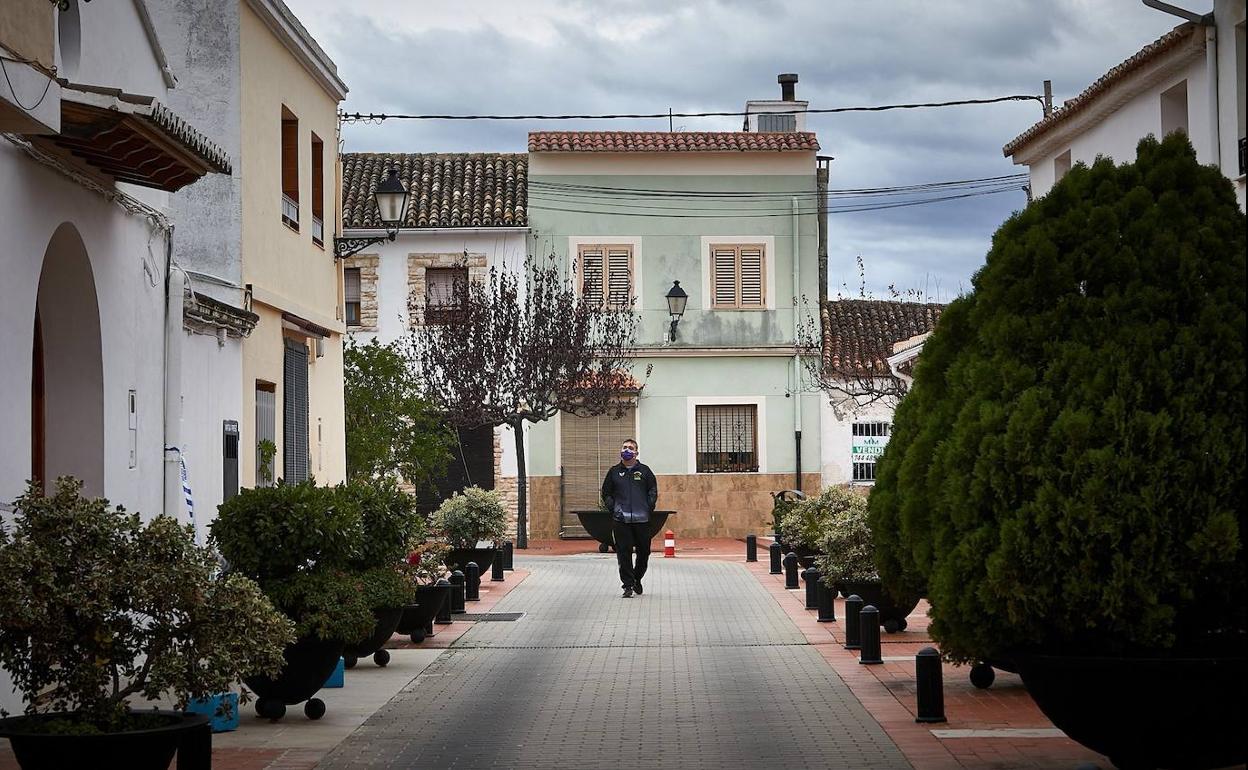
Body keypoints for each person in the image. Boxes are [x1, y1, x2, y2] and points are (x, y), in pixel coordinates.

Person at [600, 438, 658, 598]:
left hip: (642, 520)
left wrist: (649, 506)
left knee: (644, 552)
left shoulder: (645, 471)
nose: (627, 450)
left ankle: (637, 578)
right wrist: (613, 508)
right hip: (621, 520)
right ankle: (627, 585)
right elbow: (606, 493)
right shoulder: (614, 472)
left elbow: (652, 490)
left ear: (636, 452)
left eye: (630, 448)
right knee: (623, 553)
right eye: (625, 447)